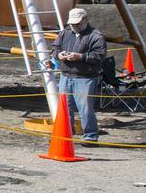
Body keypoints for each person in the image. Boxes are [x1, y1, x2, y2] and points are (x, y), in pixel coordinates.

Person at [45, 7, 106, 143]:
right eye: (72, 24)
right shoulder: (64, 33)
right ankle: (66, 134)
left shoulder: (96, 36)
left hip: (86, 78)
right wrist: (58, 55)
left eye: (77, 24)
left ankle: (90, 137)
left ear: (86, 20)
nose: (75, 26)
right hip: (65, 76)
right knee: (65, 108)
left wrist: (81, 56)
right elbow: (55, 48)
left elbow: (100, 56)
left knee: (85, 108)